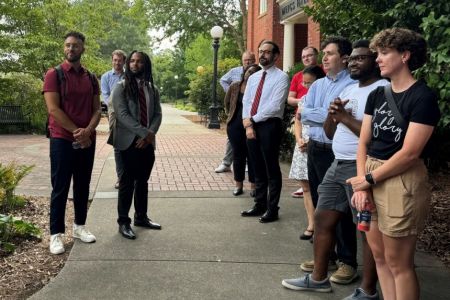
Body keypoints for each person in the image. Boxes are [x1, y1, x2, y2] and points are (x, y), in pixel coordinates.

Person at [283, 40, 388, 297]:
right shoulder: (351, 90)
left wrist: (342, 117)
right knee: (322, 218)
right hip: (337, 162)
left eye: (360, 58)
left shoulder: (382, 90)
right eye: (352, 58)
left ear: (374, 61)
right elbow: (329, 128)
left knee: (366, 229)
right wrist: (332, 116)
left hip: (360, 166)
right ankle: (319, 279)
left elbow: (375, 136)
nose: (353, 62)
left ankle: (368, 290)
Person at [347, 28, 440, 300]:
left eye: (385, 53)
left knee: (399, 263)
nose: (378, 59)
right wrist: (362, 185)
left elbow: (410, 153)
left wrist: (369, 180)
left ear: (405, 55)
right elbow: (363, 143)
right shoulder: (377, 95)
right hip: (370, 174)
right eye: (378, 53)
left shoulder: (422, 97)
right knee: (380, 257)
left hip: (400, 178)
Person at [297, 36, 358, 283]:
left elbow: (341, 115)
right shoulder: (319, 84)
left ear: (344, 57)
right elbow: (304, 112)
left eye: (330, 53)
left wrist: (325, 114)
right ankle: (327, 256)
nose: (324, 57)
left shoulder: (351, 84)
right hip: (315, 148)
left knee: (341, 209)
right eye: (324, 53)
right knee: (323, 205)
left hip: (337, 151)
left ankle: (347, 261)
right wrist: (327, 113)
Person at [43, 31, 100, 255]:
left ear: (83, 49)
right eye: (67, 45)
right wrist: (77, 131)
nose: (71, 49)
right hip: (62, 139)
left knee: (83, 185)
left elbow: (97, 109)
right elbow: (53, 109)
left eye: (75, 46)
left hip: (87, 140)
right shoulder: (54, 74)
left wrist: (88, 131)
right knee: (60, 187)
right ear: (63, 48)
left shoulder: (91, 77)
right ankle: (56, 234)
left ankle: (79, 227)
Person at [111, 50, 163, 240]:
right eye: (132, 61)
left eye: (139, 62)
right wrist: (145, 133)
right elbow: (122, 115)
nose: (134, 64)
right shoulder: (121, 87)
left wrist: (150, 135)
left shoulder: (152, 89)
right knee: (127, 183)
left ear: (146, 65)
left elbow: (157, 114)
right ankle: (123, 222)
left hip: (147, 143)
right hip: (128, 143)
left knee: (142, 181)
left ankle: (141, 217)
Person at [241, 41, 290, 223]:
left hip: (269, 126)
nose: (263, 55)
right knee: (256, 166)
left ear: (276, 56)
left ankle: (272, 208)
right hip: (252, 126)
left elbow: (275, 106)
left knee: (271, 168)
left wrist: (252, 120)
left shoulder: (281, 77)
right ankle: (259, 204)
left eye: (267, 52)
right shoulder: (253, 78)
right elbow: (247, 101)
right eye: (261, 51)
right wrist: (248, 125)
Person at [288, 65, 325, 241]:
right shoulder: (303, 100)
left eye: (309, 83)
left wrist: (311, 141)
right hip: (302, 146)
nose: (306, 86)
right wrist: (299, 139)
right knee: (306, 187)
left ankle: (322, 226)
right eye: (304, 82)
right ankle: (311, 224)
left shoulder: (326, 98)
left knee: (320, 187)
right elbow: (298, 121)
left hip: (318, 145)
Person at [215, 51, 256, 175]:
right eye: (245, 60)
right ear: (242, 60)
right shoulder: (235, 72)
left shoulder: (257, 72)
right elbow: (222, 80)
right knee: (232, 138)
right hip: (237, 112)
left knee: (250, 137)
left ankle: (248, 164)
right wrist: (232, 92)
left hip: (252, 113)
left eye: (250, 60)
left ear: (254, 60)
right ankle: (226, 163)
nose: (248, 62)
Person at [288, 46, 320, 200]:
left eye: (310, 55)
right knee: (304, 174)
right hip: (301, 120)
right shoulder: (297, 76)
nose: (306, 58)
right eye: (304, 56)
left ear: (316, 56)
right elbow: (290, 99)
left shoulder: (323, 76)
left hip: (318, 128)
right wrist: (302, 102)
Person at [225, 64, 261, 196]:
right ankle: (238, 185)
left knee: (252, 155)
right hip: (235, 126)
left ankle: (253, 186)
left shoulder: (258, 88)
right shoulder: (235, 86)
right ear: (244, 72)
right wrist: (231, 116)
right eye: (248, 71)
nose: (250, 74)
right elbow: (227, 102)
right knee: (238, 155)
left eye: (253, 72)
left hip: (252, 126)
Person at [101, 49, 126, 189]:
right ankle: (120, 178)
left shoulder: (129, 76)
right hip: (114, 115)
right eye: (115, 60)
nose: (117, 63)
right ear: (112, 60)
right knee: (117, 146)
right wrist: (115, 106)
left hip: (129, 115)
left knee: (130, 145)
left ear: (124, 61)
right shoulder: (106, 77)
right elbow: (105, 96)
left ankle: (130, 177)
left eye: (119, 60)